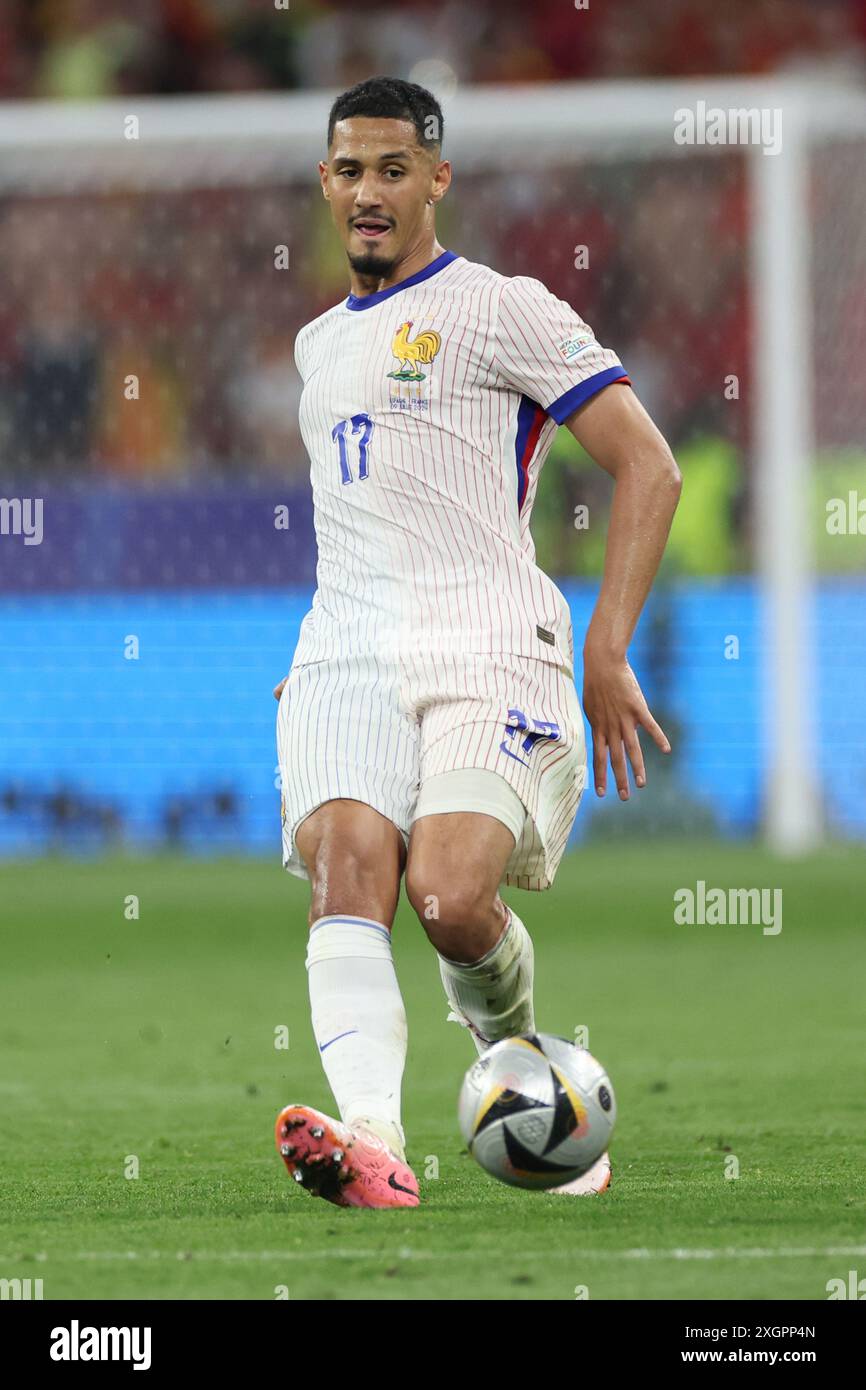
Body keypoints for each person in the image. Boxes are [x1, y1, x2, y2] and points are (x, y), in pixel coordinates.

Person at [272, 77, 682, 1208]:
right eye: (349, 170)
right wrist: (318, 653)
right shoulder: (313, 346)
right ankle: (370, 1142)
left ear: (436, 182)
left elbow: (647, 464)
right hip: (346, 653)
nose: (368, 192)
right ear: (324, 183)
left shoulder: (503, 308)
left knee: (449, 897)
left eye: (393, 170)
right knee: (346, 864)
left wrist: (606, 648)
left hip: (490, 643)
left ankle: (522, 1076)